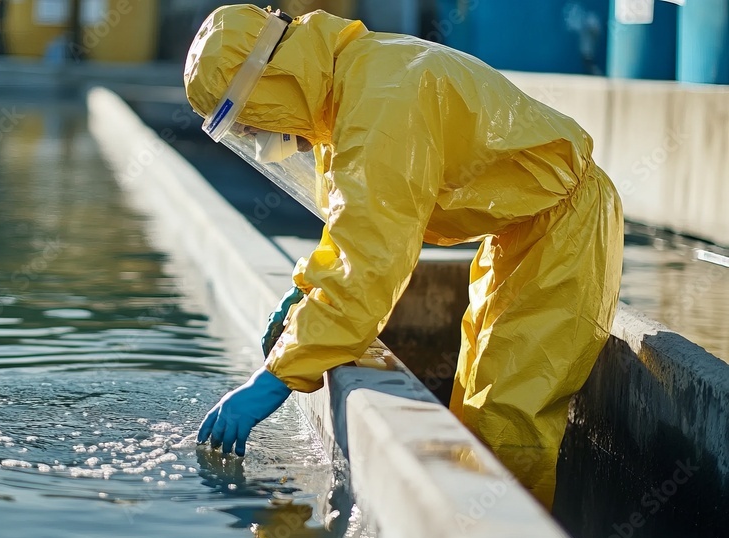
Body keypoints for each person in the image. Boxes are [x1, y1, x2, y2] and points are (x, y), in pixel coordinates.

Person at [187, 4, 623, 508]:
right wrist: (304, 296)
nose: (253, 138)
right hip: (523, 227)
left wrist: (276, 376)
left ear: (269, 85)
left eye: (245, 122)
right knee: (477, 408)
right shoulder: (348, 85)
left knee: (507, 420)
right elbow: (353, 228)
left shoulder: (380, 103)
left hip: (562, 227)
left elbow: (371, 260)